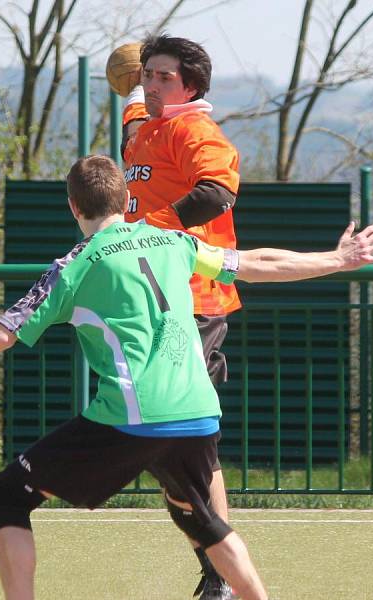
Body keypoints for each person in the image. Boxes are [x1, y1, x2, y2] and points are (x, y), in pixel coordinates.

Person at [0, 155, 373, 600]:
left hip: (132, 416)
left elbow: (2, 332)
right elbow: (255, 262)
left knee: (5, 497)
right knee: (200, 519)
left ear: (74, 207)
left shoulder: (75, 264)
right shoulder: (172, 241)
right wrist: (339, 259)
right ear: (126, 200)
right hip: (197, 408)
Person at [119, 34, 244, 599]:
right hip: (154, 298)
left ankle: (219, 573)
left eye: (164, 76)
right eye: (148, 74)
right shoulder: (148, 125)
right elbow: (134, 131)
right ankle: (217, 564)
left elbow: (217, 193)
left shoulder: (197, 130)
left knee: (187, 441)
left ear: (191, 85)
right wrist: (130, 84)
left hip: (194, 300)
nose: (151, 82)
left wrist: (152, 230)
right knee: (167, 443)